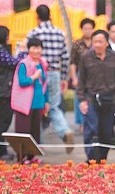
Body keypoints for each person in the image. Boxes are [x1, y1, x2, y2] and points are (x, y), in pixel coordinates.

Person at [27, 5, 74, 153]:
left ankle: (37, 142)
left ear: (37, 16)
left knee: (36, 107)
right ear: (50, 15)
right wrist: (65, 77)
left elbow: (25, 55)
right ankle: (64, 131)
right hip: (54, 73)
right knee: (53, 106)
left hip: (37, 74)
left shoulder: (34, 33)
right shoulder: (59, 33)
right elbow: (65, 57)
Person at [77, 29, 115, 163]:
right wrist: (81, 99)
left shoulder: (114, 57)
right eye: (95, 42)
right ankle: (91, 159)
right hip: (91, 97)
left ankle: (102, 158)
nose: (97, 45)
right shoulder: (86, 57)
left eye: (100, 42)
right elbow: (81, 80)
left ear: (106, 43)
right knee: (91, 129)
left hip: (109, 98)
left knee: (107, 131)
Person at [0, 25, 27, 161]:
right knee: (2, 122)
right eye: (7, 35)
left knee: (1, 120)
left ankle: (0, 149)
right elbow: (16, 63)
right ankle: (0, 151)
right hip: (3, 92)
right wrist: (22, 52)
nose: (9, 38)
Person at [10, 38, 49, 164]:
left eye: (38, 48)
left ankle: (32, 157)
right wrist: (33, 77)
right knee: (23, 130)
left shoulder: (42, 63)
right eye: (33, 48)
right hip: (25, 103)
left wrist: (46, 101)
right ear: (29, 49)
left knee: (35, 131)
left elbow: (45, 84)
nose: (36, 51)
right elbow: (22, 81)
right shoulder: (24, 63)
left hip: (38, 102)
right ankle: (21, 157)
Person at [70, 18, 95, 131]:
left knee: (92, 98)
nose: (88, 31)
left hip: (94, 74)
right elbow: (72, 62)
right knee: (79, 98)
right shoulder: (77, 44)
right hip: (81, 74)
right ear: (82, 29)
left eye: (90, 28)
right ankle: (81, 123)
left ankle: (90, 121)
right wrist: (74, 77)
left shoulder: (97, 43)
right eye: (85, 28)